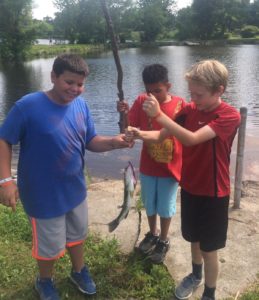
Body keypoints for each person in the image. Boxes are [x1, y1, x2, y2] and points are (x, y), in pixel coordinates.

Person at [0, 54, 133, 300]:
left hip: (75, 189)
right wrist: (5, 181)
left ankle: (79, 270)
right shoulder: (27, 106)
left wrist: (114, 142)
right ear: (53, 77)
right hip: (42, 195)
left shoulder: (81, 106)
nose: (75, 89)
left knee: (77, 235)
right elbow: (4, 140)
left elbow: (90, 141)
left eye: (80, 84)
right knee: (49, 246)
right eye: (69, 82)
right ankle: (45, 281)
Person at [128, 59, 241, 300]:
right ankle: (195, 275)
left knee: (210, 249)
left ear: (219, 90)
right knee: (194, 239)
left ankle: (209, 293)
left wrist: (158, 114)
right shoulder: (189, 110)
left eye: (199, 95)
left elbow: (191, 139)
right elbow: (160, 135)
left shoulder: (228, 116)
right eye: (191, 93)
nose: (194, 99)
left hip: (214, 192)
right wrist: (138, 134)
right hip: (190, 188)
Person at [118, 64, 185, 264]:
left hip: (170, 168)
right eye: (149, 91)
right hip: (148, 166)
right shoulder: (141, 101)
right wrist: (123, 114)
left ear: (168, 86)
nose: (153, 95)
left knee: (165, 206)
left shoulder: (181, 105)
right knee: (149, 204)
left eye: (158, 90)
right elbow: (128, 131)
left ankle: (164, 239)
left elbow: (173, 134)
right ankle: (152, 233)